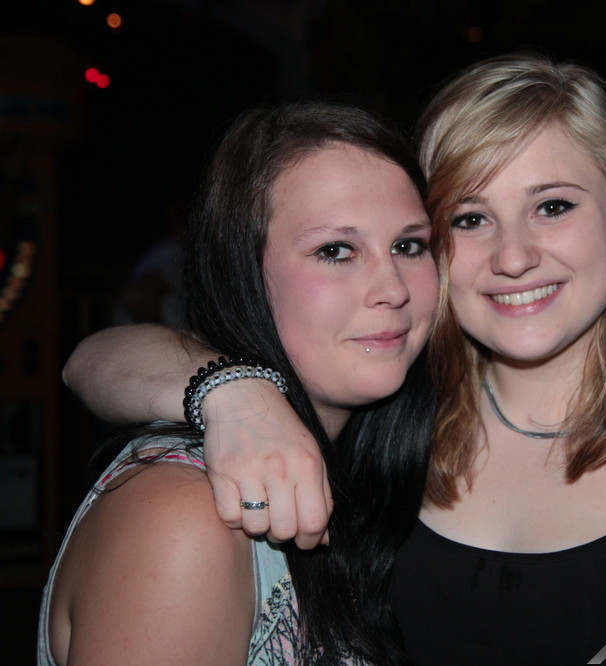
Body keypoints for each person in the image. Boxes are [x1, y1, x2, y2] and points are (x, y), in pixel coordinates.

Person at [63, 54, 606, 663]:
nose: (514, 255)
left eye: (553, 206)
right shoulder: (394, 414)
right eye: (470, 218)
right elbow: (93, 359)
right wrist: (235, 395)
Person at [40, 101, 439, 665]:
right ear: (243, 273)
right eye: (335, 250)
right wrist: (234, 393)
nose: (393, 287)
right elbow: (84, 359)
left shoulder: (390, 457)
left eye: (408, 245)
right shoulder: (186, 515)